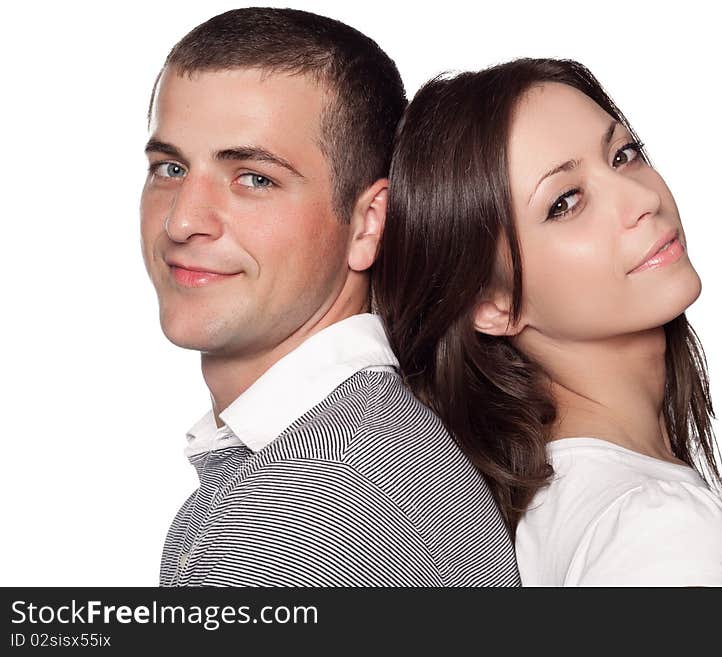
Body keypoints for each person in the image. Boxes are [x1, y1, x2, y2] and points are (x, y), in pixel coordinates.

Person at [140, 7, 519, 586]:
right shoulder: (391, 445)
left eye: (254, 179)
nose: (182, 220)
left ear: (369, 223)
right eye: (170, 167)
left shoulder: (280, 517)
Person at [374, 58, 722, 586]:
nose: (642, 199)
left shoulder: (555, 512)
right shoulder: (658, 527)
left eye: (623, 154)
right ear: (491, 305)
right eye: (565, 203)